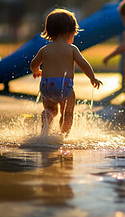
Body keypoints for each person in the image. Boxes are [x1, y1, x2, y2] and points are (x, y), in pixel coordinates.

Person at [30, 8, 102, 137]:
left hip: (46, 85)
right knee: (67, 113)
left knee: (50, 109)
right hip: (64, 85)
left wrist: (37, 71)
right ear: (70, 32)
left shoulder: (44, 49)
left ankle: (45, 126)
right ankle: (64, 136)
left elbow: (33, 65)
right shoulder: (72, 49)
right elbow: (84, 64)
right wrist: (92, 77)